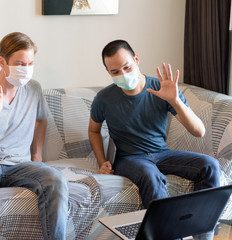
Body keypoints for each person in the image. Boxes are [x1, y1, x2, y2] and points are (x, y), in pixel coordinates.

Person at [0, 32, 68, 240]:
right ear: (2, 61)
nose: (26, 70)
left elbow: (41, 119)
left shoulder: (33, 89)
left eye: (30, 63)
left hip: (20, 164)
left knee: (57, 180)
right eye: (19, 63)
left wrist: (37, 156)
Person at [88, 39, 221, 208]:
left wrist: (175, 101)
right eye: (115, 72)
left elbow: (199, 131)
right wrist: (102, 162)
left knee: (210, 166)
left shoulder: (161, 89)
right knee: (150, 175)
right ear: (108, 72)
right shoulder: (103, 99)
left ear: (136, 59)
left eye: (127, 67)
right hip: (129, 159)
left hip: (162, 154)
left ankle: (201, 228)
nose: (123, 74)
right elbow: (93, 131)